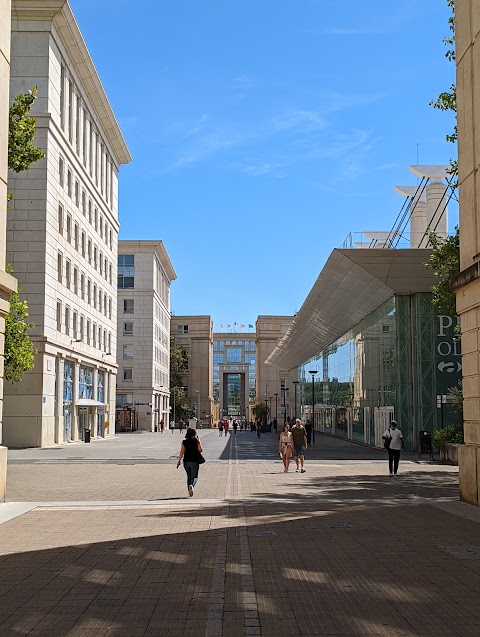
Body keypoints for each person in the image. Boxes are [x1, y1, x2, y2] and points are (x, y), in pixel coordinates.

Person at [177, 428, 203, 497]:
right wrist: (199, 441)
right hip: (194, 461)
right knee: (194, 476)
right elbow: (200, 449)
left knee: (189, 476)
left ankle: (189, 490)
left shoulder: (184, 442)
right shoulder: (196, 441)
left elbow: (182, 452)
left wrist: (179, 460)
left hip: (186, 461)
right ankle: (192, 485)